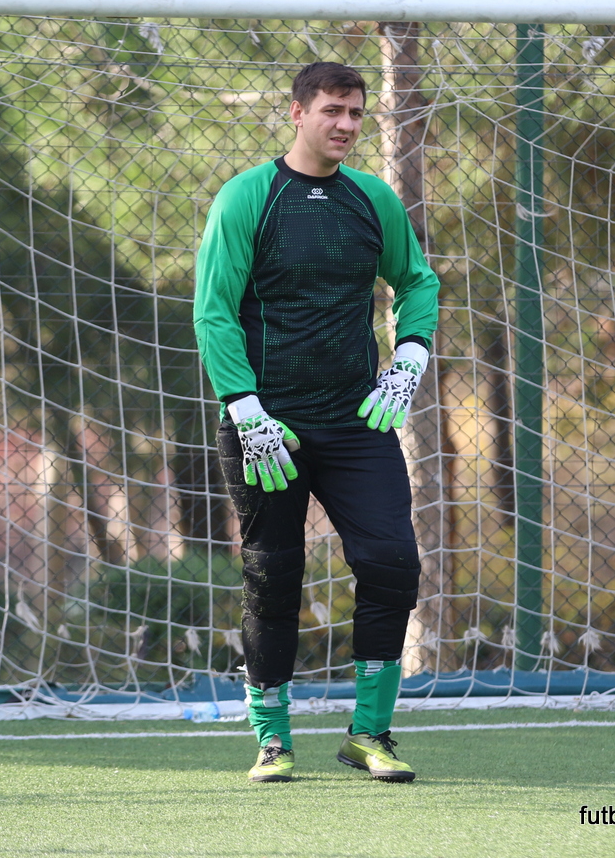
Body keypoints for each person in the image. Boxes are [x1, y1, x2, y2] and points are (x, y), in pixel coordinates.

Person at [193, 61, 440, 783]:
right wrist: (245, 408)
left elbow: (417, 281)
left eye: (356, 113)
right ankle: (272, 741)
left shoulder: (372, 199)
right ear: (297, 112)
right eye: (333, 110)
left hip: (357, 422)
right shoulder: (248, 196)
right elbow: (213, 311)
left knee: (392, 564)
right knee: (273, 576)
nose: (346, 124)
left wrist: (410, 356)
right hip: (267, 428)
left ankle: (370, 735)